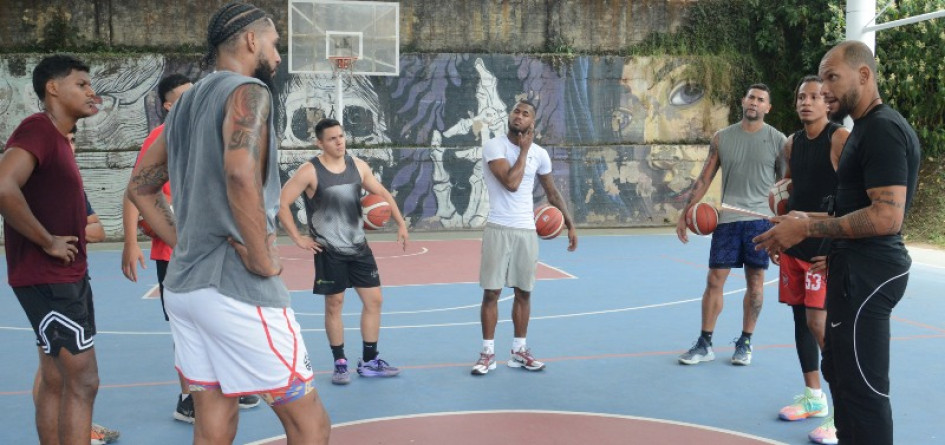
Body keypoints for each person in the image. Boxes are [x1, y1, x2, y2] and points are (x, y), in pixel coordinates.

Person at [126, 2, 330, 443]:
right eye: (275, 44)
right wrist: (261, 258)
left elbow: (140, 187)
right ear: (252, 40)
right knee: (310, 423)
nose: (278, 56)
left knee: (213, 425)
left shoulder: (182, 107)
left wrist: (185, 241)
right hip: (237, 289)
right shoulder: (248, 93)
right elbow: (240, 171)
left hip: (185, 288)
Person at [754, 41, 920, 445]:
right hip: (853, 268)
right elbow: (855, 210)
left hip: (870, 276)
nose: (824, 88)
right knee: (843, 379)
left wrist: (807, 230)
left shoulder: (881, 129)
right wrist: (800, 226)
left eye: (832, 77)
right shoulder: (865, 128)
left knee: (862, 391)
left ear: (863, 76)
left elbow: (886, 216)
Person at [120, 74, 261, 423]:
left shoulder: (207, 134)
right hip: (175, 251)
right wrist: (129, 242)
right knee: (187, 329)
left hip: (214, 249)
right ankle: (187, 397)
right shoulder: (161, 137)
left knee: (222, 318)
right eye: (184, 96)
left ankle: (228, 383)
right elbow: (135, 189)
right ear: (168, 105)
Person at [0, 54, 100, 445]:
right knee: (84, 381)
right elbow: (3, 186)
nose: (91, 91)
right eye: (81, 84)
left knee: (57, 378)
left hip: (60, 279)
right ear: (52, 88)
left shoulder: (56, 139)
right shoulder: (37, 129)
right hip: (50, 279)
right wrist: (47, 241)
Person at [277, 118, 408, 385]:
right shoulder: (309, 171)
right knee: (334, 305)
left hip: (359, 248)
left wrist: (401, 222)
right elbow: (281, 202)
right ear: (320, 143)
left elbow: (381, 192)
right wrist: (297, 238)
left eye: (341, 136)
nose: (339, 142)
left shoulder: (358, 167)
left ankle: (370, 361)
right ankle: (340, 363)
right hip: (329, 251)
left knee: (375, 301)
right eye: (332, 138)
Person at [675, 83, 786, 366]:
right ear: (743, 101)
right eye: (751, 97)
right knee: (714, 280)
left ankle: (745, 342)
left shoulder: (778, 140)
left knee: (756, 283)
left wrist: (784, 225)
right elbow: (704, 178)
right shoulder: (722, 138)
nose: (755, 102)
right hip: (727, 220)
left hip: (761, 222)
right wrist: (686, 213)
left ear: (767, 108)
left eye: (761, 99)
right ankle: (704, 343)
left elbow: (786, 187)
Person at [471, 100, 578, 376]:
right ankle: (487, 353)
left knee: (523, 292)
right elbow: (511, 182)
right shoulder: (494, 147)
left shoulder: (541, 154)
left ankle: (519, 350)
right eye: (516, 111)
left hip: (526, 230)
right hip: (498, 227)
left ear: (533, 123)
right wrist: (524, 151)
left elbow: (551, 192)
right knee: (492, 292)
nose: (519, 116)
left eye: (525, 114)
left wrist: (569, 223)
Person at [773, 76, 848, 445]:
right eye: (801, 96)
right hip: (795, 248)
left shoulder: (839, 138)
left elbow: (852, 195)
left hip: (823, 248)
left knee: (821, 326)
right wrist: (779, 217)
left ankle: (842, 414)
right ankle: (814, 398)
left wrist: (837, 248)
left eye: (815, 97)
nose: (807, 102)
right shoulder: (790, 143)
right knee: (802, 321)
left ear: (827, 102)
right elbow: (789, 188)